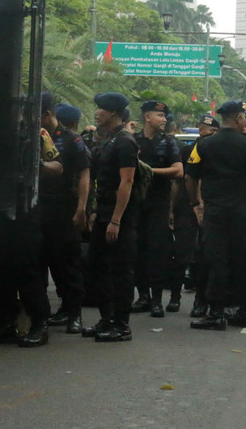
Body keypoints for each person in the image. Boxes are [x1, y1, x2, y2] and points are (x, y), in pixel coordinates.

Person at [187, 101, 246, 330]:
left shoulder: (204, 144)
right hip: (243, 211)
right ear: (239, 118)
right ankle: (243, 312)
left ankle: (216, 313)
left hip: (215, 211)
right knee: (244, 260)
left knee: (216, 261)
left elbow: (190, 177)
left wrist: (195, 203)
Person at [0, 125, 60, 348]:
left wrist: (37, 166)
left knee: (26, 266)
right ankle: (6, 321)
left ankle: (39, 323)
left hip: (25, 208)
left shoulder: (38, 133)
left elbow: (58, 166)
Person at [83, 92, 139, 342]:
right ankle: (106, 318)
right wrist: (95, 211)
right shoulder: (107, 140)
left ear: (114, 113)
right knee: (98, 267)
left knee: (120, 270)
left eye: (101, 109)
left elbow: (127, 181)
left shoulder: (125, 142)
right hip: (103, 213)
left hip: (120, 217)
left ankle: (121, 324)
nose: (97, 112)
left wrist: (116, 220)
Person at [40, 98, 90, 335]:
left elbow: (84, 174)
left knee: (68, 261)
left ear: (47, 113)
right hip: (40, 208)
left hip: (66, 208)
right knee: (49, 261)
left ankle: (75, 313)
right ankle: (62, 308)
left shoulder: (71, 138)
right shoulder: (36, 136)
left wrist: (81, 208)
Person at [132, 101, 183, 317]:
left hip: (158, 204)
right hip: (136, 203)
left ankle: (156, 300)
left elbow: (178, 171)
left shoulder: (168, 142)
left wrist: (149, 171)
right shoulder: (133, 140)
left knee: (157, 251)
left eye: (164, 116)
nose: (163, 120)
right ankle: (142, 296)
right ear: (147, 117)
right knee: (137, 251)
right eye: (159, 115)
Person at [172, 114, 219, 317]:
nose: (207, 134)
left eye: (213, 131)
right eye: (205, 130)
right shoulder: (188, 150)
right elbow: (184, 179)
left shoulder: (219, 152)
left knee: (207, 255)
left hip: (212, 207)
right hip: (187, 206)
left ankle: (204, 299)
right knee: (182, 252)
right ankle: (175, 296)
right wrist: (172, 208)